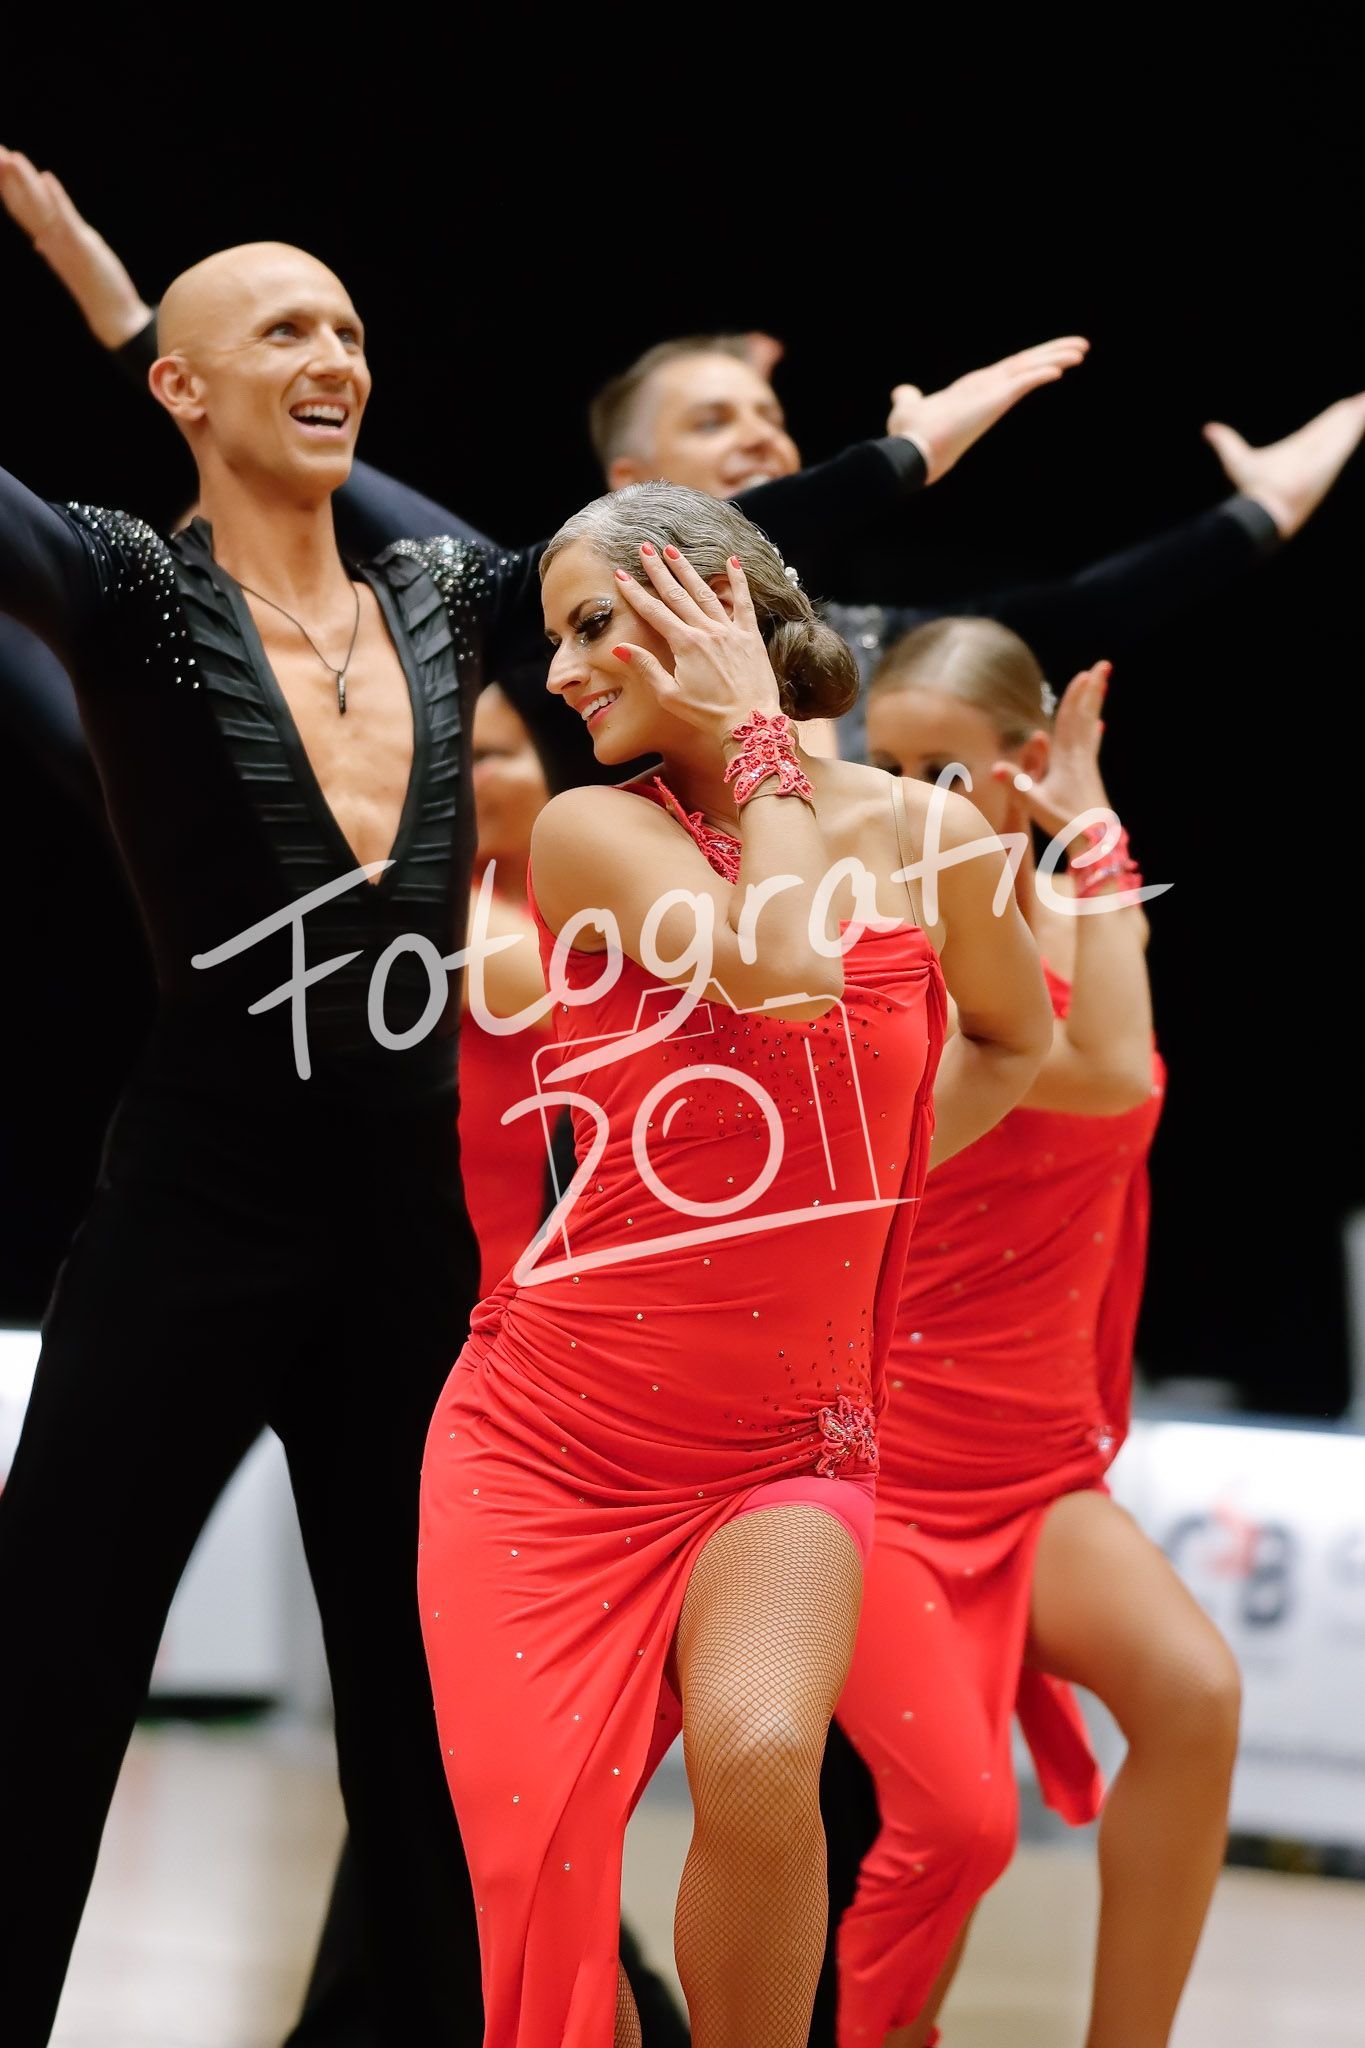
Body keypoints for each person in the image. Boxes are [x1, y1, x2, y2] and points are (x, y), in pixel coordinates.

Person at [0, 193, 1082, 2040]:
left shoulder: (442, 595)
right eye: (284, 332)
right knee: (42, 1674)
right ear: (177, 386)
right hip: (187, 1210)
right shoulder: (127, 581)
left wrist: (913, 449)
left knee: (428, 1747)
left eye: (350, 329)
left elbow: (700, 561)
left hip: (406, 1232)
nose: (335, 357)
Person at [419, 482, 1055, 2047]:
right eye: (554, 637)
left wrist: (868, 1189)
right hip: (545, 1439)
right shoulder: (592, 831)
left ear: (711, 607)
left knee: (765, 1750)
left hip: (785, 1444)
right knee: (545, 1890)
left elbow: (1018, 1036)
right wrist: (765, 746)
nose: (560, 672)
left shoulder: (934, 839)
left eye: (590, 625)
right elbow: (781, 968)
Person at [813, 621, 1235, 2048]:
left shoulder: (1088, 920)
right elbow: (1107, 1067)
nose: (911, 796)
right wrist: (1097, 844)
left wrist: (1091, 845)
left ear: (1020, 768)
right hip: (878, 1463)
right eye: (888, 762)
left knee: (1194, 1694)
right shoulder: (879, 942)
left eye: (944, 768)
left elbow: (1115, 1067)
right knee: (959, 1827)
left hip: (1035, 1465)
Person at [590, 331, 1365, 758]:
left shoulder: (858, 646)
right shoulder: (575, 657)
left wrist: (1260, 512)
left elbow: (1079, 611)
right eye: (712, 421)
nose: (762, 436)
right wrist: (900, 459)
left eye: (771, 417)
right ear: (628, 480)